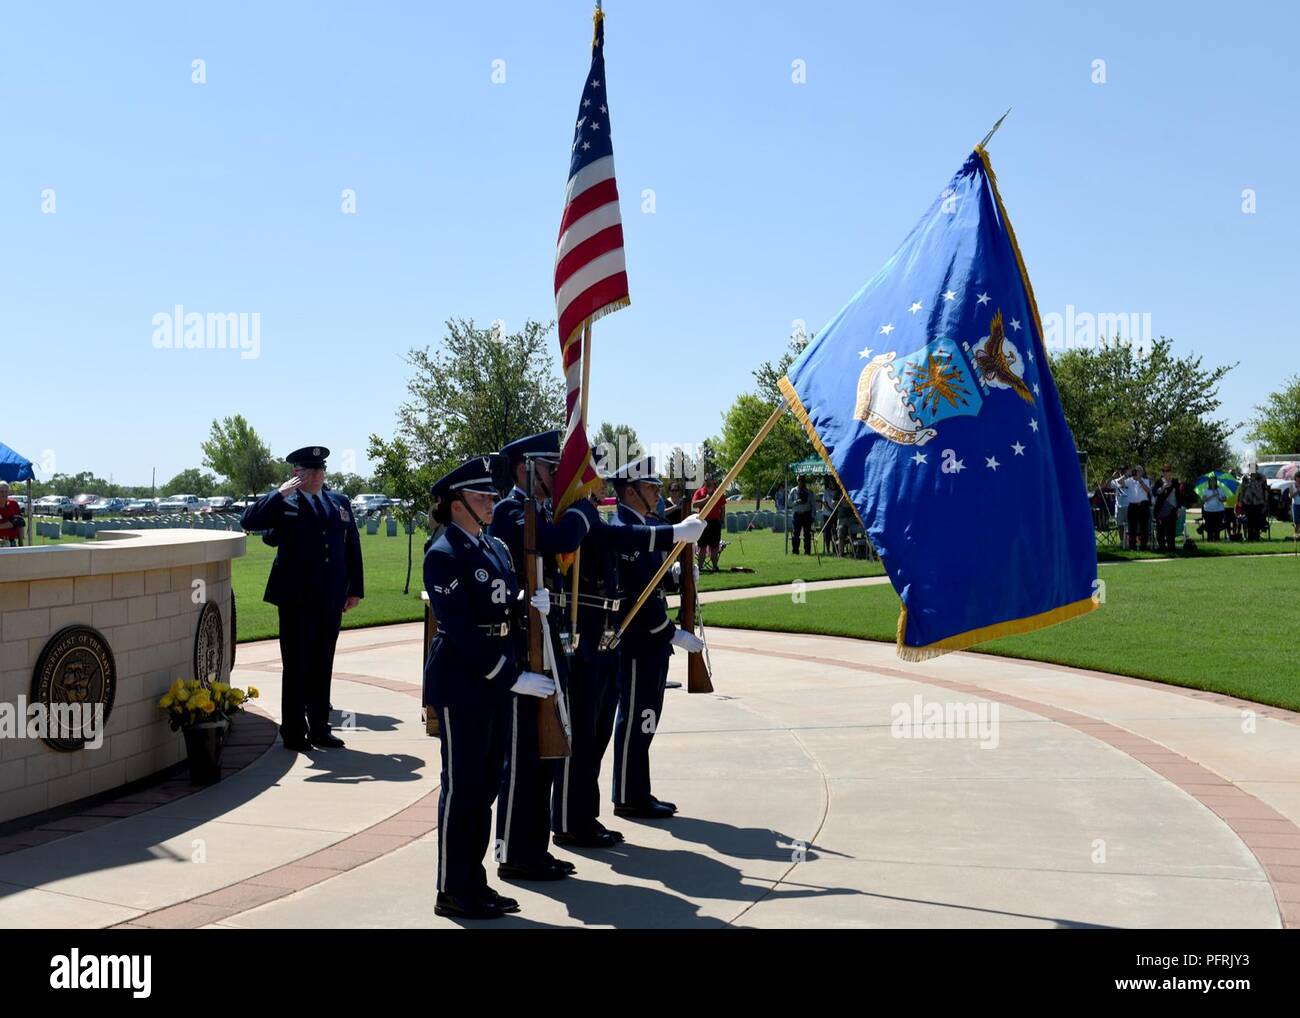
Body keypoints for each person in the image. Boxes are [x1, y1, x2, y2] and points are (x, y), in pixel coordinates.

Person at [489, 432, 705, 863]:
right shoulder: (513, 512)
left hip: (587, 641)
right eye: (550, 468)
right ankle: (554, 831)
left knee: (589, 737)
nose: (558, 475)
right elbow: (557, 541)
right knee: (557, 744)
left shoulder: (555, 512)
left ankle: (574, 821)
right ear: (522, 468)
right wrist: (583, 513)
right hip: (549, 644)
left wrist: (672, 534)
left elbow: (614, 538)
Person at [423, 455, 553, 920]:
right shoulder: (443, 554)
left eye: (490, 496)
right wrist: (511, 675)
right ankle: (452, 889)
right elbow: (460, 629)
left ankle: (473, 882)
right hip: (463, 682)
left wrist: (528, 601)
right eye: (481, 497)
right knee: (463, 788)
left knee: (484, 787)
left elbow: (501, 604)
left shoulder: (493, 546)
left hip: (494, 679)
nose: (490, 502)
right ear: (456, 503)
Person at [240, 447, 363, 751]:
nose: (318, 475)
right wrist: (278, 494)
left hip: (330, 596)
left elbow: (351, 545)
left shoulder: (338, 502)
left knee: (323, 663)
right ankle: (294, 731)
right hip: (296, 598)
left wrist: (354, 589)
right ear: (297, 474)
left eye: (320, 470)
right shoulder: (286, 503)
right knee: (296, 665)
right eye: (310, 471)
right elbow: (249, 521)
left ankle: (320, 728)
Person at [609, 456, 704, 820]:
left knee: (646, 718)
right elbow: (638, 596)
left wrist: (676, 574)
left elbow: (654, 580)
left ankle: (637, 790)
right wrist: (672, 633)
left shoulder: (645, 525)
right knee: (637, 718)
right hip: (639, 642)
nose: (657, 494)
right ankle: (628, 794)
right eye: (651, 488)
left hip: (651, 643)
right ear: (630, 491)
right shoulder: (626, 531)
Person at [690, 472, 726, 572]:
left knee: (714, 546)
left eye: (709, 480)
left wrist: (722, 519)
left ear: (713, 481)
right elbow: (694, 504)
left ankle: (715, 567)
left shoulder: (719, 492)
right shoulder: (700, 492)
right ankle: (700, 567)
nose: (707, 482)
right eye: (706, 480)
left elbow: (723, 507)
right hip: (703, 522)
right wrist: (706, 499)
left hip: (715, 522)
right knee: (702, 546)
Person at [1122, 466, 1151, 551]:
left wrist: (1140, 481)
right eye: (1136, 471)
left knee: (1144, 527)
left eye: (1140, 471)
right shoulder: (1130, 480)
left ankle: (1143, 546)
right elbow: (1120, 483)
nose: (1138, 472)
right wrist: (1126, 475)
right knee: (1132, 527)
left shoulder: (1146, 480)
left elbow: (1148, 490)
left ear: (1142, 472)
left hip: (1143, 505)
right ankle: (1132, 546)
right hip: (1132, 506)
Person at [1153, 465, 1181, 554]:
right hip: (1161, 509)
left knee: (1171, 530)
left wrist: (1179, 508)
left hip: (1172, 508)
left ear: (1171, 472)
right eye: (1163, 470)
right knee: (1160, 530)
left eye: (1167, 470)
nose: (1165, 472)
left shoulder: (1175, 482)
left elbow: (1179, 496)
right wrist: (1163, 487)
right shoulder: (1159, 481)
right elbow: (1154, 492)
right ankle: (1161, 547)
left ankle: (1171, 548)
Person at [1238, 463, 1268, 541]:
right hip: (1247, 502)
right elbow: (1242, 490)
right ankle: (1250, 537)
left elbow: (1265, 490)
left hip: (1258, 502)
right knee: (1249, 521)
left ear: (1257, 468)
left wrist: (1265, 502)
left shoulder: (1262, 478)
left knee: (1257, 521)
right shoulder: (1245, 478)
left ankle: (1257, 537)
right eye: (1251, 468)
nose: (1253, 469)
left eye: (1254, 468)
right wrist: (1240, 500)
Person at [788, 475, 813, 555]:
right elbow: (788, 503)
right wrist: (796, 502)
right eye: (799, 480)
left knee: (807, 534)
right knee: (796, 534)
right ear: (797, 481)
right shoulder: (793, 491)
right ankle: (795, 551)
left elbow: (813, 505)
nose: (801, 482)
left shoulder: (809, 492)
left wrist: (813, 516)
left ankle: (807, 551)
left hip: (807, 514)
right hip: (797, 515)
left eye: (802, 480)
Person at [1201, 476, 1227, 542]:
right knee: (1209, 525)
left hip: (1219, 510)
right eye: (1211, 481)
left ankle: (1217, 538)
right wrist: (1212, 495)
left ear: (1216, 482)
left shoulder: (1220, 490)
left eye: (1214, 481)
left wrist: (1218, 496)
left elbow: (1224, 499)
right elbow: (1204, 499)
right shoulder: (1206, 490)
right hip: (1208, 511)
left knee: (1217, 526)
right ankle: (1209, 538)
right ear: (1209, 482)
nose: (1213, 482)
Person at [1108, 469, 1129, 547]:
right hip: (1119, 506)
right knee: (1120, 525)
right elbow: (1108, 485)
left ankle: (1128, 541)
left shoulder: (1129, 480)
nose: (1122, 473)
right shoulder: (1115, 481)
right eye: (1121, 472)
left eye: (1124, 472)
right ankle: (1122, 541)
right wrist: (1112, 477)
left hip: (1128, 505)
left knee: (1128, 525)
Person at [0, 483, 25, 547]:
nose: (4, 494)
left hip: (11, 542)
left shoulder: (13, 504)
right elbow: (10, 524)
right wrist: (6, 525)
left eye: (6, 492)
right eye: (1, 491)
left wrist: (21, 542)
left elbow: (20, 523)